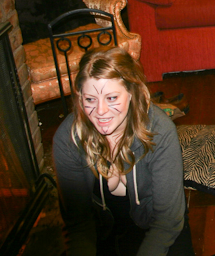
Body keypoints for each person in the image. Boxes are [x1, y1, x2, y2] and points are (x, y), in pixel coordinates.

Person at [52, 47, 193, 256]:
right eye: (90, 99)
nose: (100, 111)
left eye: (111, 98)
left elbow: (167, 221)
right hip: (103, 233)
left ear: (131, 93)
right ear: (80, 97)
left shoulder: (160, 131)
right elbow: (79, 224)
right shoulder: (68, 139)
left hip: (158, 229)